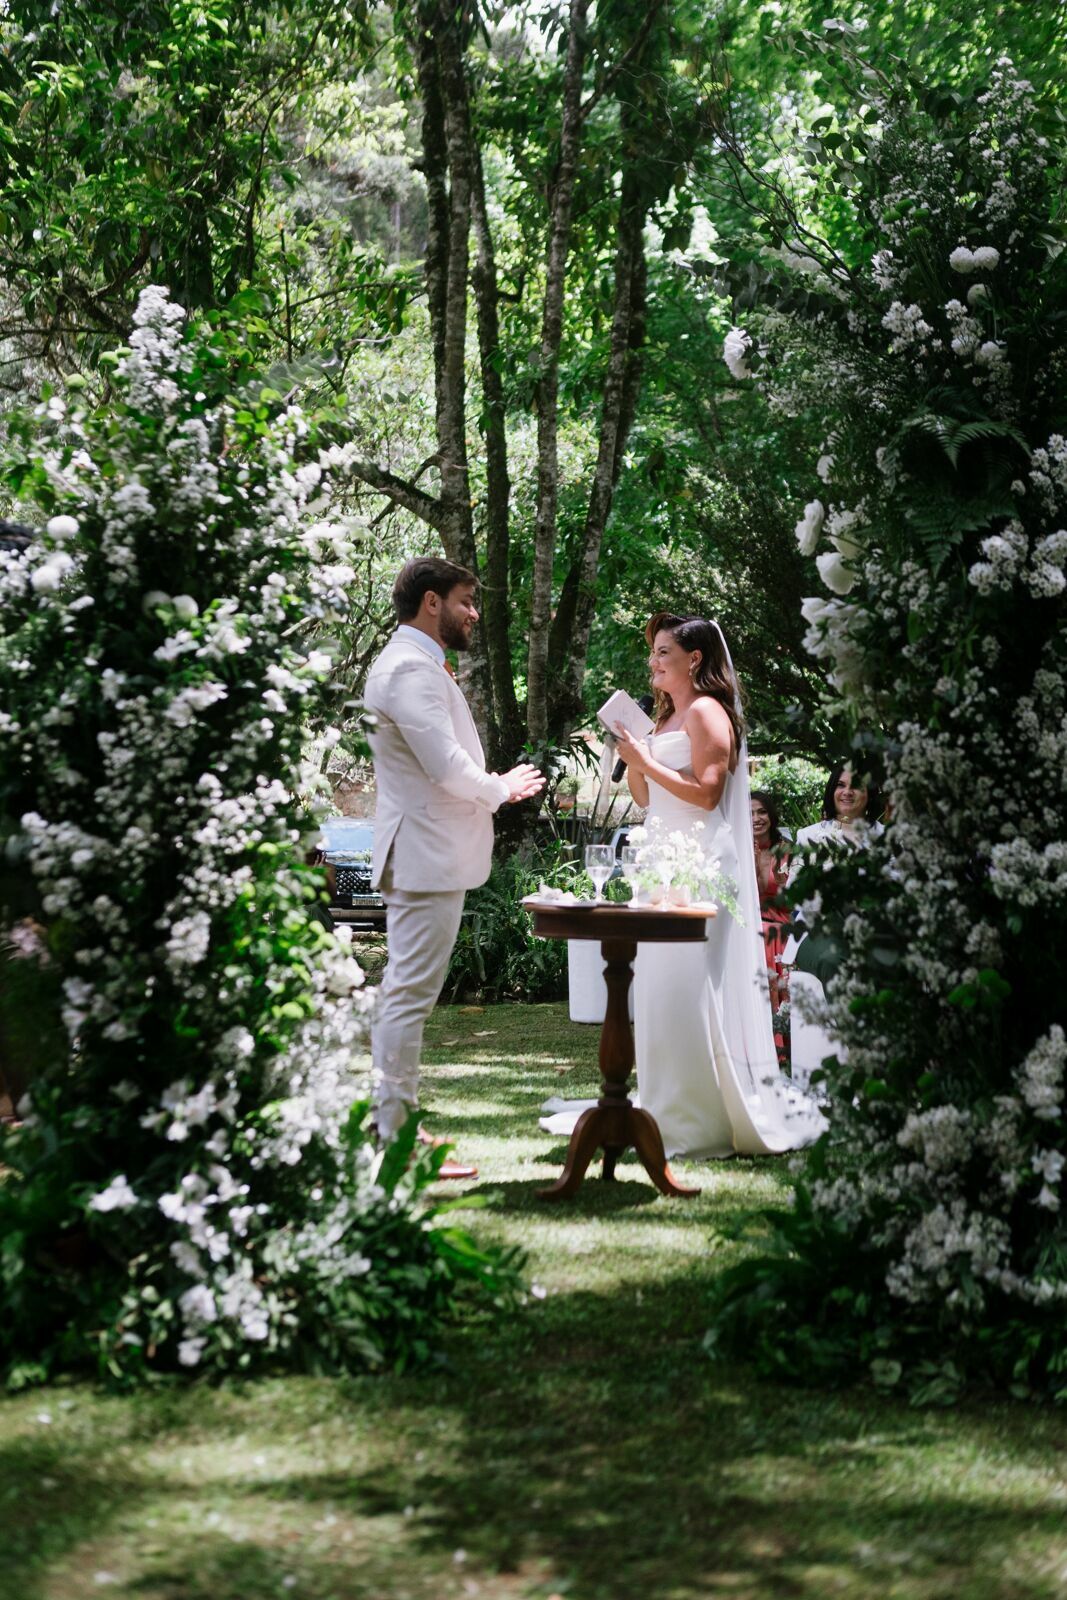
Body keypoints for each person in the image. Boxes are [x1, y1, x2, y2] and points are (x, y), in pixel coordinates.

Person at [543, 612, 824, 1159]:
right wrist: (636, 759)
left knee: (693, 986)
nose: (653, 662)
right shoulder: (666, 717)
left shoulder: (708, 712)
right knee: (654, 988)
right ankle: (659, 1105)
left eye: (663, 652)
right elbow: (649, 802)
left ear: (693, 660)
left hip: (700, 862)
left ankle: (703, 1117)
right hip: (659, 857)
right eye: (653, 654)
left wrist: (647, 757)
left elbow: (708, 795)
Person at [364, 558, 544, 1177]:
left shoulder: (414, 663)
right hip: (423, 857)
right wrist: (500, 788)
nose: (474, 612)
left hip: (425, 856)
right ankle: (395, 1140)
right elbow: (443, 766)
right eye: (467, 600)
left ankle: (389, 1126)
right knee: (408, 998)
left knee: (405, 995)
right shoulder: (409, 668)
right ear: (432, 602)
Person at [751, 790, 791, 1061]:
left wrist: (781, 880)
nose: (756, 818)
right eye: (750, 813)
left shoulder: (786, 850)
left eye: (762, 812)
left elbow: (791, 901)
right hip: (753, 929)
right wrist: (753, 868)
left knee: (768, 934)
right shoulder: (738, 849)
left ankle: (783, 1042)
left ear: (771, 815)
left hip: (780, 927)